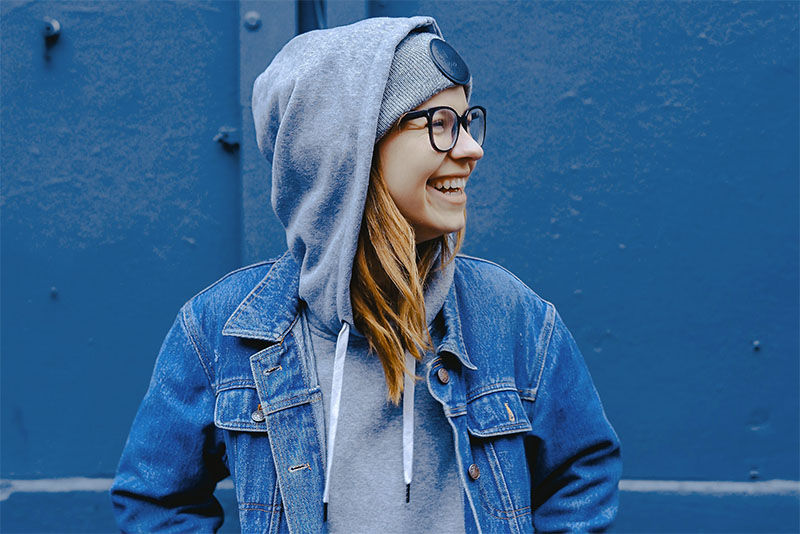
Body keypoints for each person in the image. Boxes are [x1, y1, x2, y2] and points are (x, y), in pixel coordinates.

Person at [110, 15, 621, 533]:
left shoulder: (511, 316)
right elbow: (156, 502)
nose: (471, 149)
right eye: (440, 123)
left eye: (468, 123)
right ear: (346, 150)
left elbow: (582, 472)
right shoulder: (221, 331)